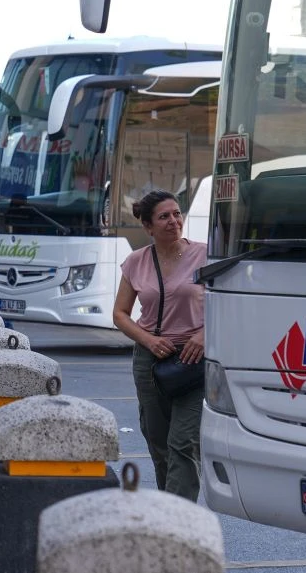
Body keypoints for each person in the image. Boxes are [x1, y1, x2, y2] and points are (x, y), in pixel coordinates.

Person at [111, 190, 207, 502]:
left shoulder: (204, 256)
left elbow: (230, 304)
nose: (173, 221)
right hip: (150, 360)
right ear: (148, 226)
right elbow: (120, 314)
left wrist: (205, 334)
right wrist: (149, 340)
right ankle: (168, 509)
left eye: (177, 214)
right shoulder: (136, 263)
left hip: (194, 358)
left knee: (183, 442)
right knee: (159, 442)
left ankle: (180, 518)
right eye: (164, 216)